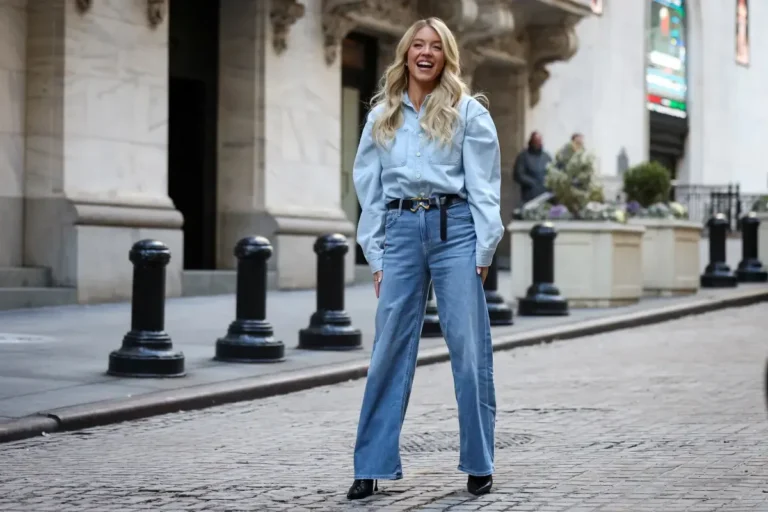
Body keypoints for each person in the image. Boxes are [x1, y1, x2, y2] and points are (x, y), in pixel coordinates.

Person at [348, 17, 503, 501]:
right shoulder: (382, 117)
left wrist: (484, 247)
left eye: (436, 46)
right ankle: (369, 464)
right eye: (418, 44)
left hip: (453, 229)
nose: (426, 52)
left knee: (468, 347)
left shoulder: (468, 113)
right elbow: (368, 192)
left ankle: (479, 461)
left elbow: (484, 187)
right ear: (406, 54)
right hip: (399, 232)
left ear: (446, 57)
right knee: (388, 349)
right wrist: (376, 254)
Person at [513, 131, 552, 204]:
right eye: (536, 141)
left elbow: (552, 172)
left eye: (540, 141)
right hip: (529, 196)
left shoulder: (546, 156)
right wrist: (533, 183)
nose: (539, 143)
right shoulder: (523, 156)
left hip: (545, 195)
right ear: (532, 142)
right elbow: (518, 175)